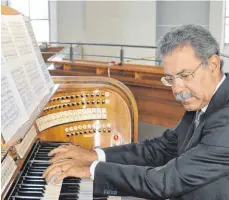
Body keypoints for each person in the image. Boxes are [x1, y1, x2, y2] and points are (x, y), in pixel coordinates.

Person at [43, 24, 229, 200]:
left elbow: (165, 181)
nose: (178, 89)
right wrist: (95, 155)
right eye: (170, 79)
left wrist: (91, 170)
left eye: (185, 76)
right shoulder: (203, 99)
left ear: (212, 64)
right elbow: (162, 148)